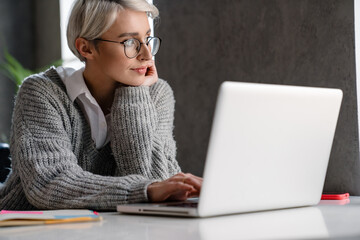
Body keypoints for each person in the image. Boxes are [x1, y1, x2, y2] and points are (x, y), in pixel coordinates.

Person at [0, 0, 202, 210]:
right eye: (130, 43)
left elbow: (156, 179)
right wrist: (144, 190)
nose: (147, 56)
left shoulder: (156, 94)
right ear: (86, 48)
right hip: (26, 227)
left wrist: (133, 92)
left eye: (147, 39)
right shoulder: (43, 93)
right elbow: (50, 184)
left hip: (112, 228)